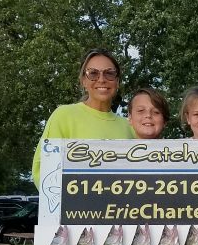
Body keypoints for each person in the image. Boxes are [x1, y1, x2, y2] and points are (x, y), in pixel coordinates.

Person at [32, 49, 133, 186]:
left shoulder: (128, 126)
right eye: (93, 74)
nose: (102, 79)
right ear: (83, 81)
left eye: (109, 73)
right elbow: (43, 172)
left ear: (117, 81)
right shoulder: (63, 116)